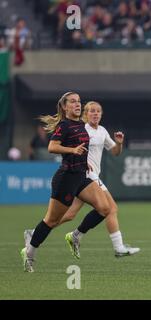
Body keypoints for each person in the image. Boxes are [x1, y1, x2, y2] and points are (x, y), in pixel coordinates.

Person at [25, 101, 140, 257]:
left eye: (98, 111)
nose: (96, 113)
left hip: (89, 177)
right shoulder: (81, 129)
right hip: (86, 175)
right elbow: (70, 147)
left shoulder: (102, 131)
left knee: (68, 215)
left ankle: (38, 233)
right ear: (86, 113)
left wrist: (119, 144)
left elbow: (115, 152)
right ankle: (118, 247)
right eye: (92, 111)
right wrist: (82, 161)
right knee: (110, 208)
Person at [20, 92, 112, 272]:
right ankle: (29, 252)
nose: (77, 104)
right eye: (72, 102)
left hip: (82, 176)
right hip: (66, 178)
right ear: (64, 107)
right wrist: (72, 150)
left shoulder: (80, 124)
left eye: (78, 101)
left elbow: (81, 148)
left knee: (104, 208)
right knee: (51, 221)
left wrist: (84, 160)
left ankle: (76, 236)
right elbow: (52, 147)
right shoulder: (65, 125)